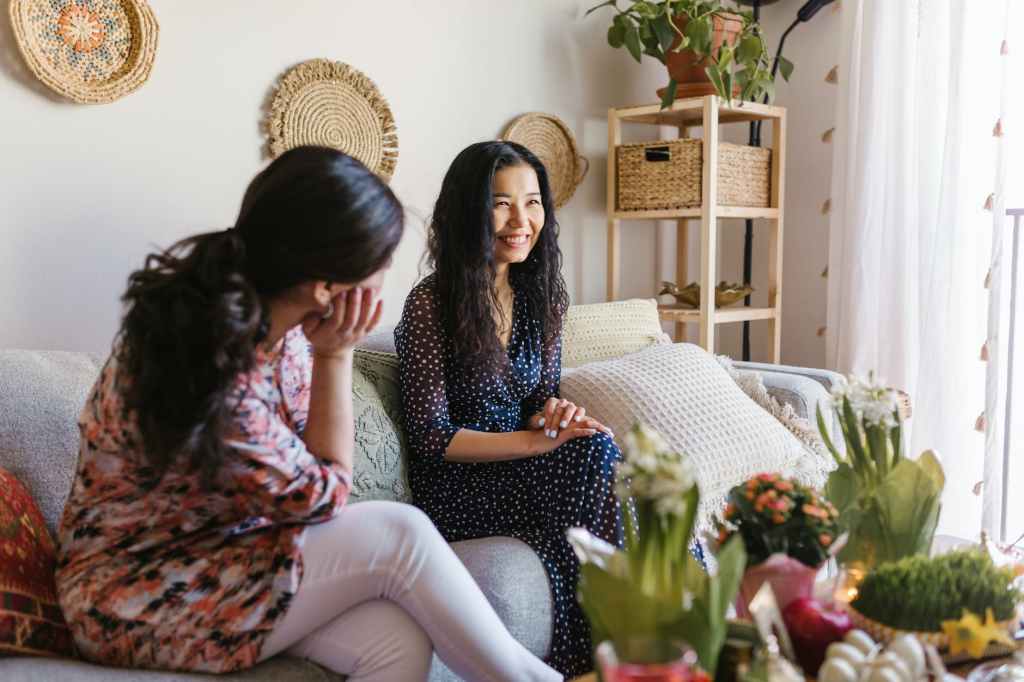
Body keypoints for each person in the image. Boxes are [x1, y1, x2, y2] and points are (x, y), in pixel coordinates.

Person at [55, 146, 561, 682]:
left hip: (231, 560)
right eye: (381, 262)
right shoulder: (210, 365)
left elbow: (301, 482)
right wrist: (336, 356)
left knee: (395, 638)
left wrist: (326, 352)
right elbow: (324, 499)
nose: (385, 277)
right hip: (138, 597)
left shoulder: (283, 332)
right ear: (327, 285)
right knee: (401, 532)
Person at [395, 140, 628, 677]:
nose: (521, 221)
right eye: (501, 204)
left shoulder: (544, 297)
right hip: (457, 486)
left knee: (597, 448)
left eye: (532, 202)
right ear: (467, 212)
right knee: (595, 461)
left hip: (524, 468)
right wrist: (537, 440)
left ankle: (629, 642)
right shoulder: (431, 304)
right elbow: (432, 438)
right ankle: (639, 641)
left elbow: (537, 398)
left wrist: (555, 416)